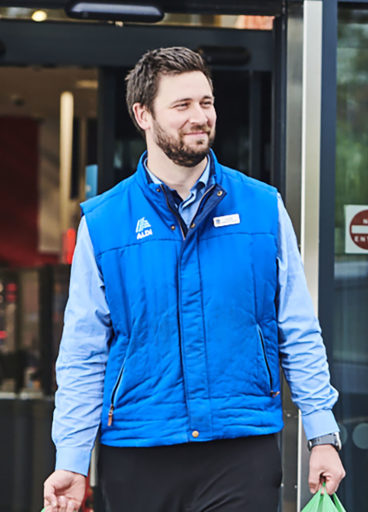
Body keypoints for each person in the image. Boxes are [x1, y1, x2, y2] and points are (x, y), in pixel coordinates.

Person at [43, 47, 345, 512]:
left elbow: (298, 328)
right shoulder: (104, 223)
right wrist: (73, 459)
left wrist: (322, 432)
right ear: (143, 114)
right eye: (182, 105)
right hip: (140, 449)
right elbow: (84, 353)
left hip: (241, 447)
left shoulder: (263, 208)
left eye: (206, 103)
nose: (199, 117)